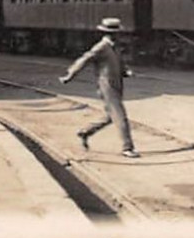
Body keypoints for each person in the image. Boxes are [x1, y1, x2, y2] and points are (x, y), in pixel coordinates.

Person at [60, 17, 139, 157]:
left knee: (110, 116)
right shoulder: (101, 47)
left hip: (117, 84)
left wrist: (126, 71)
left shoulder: (115, 46)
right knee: (120, 116)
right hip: (106, 85)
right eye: (115, 33)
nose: (117, 35)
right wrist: (70, 75)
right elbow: (84, 60)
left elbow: (120, 63)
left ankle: (85, 132)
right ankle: (127, 147)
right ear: (107, 33)